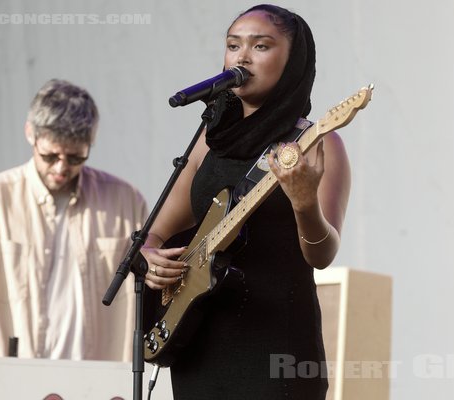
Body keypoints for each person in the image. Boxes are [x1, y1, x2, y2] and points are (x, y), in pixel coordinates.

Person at [142, 5, 350, 399]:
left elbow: (322, 255)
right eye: (233, 45)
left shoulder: (318, 144)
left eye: (261, 46)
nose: (242, 56)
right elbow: (155, 230)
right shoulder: (210, 137)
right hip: (199, 342)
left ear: (293, 62)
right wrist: (150, 255)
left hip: (278, 349)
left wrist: (305, 204)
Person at [0, 79, 148, 361]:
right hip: (11, 386)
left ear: (91, 143)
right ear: (30, 133)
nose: (61, 168)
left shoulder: (126, 201)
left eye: (76, 157)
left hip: (102, 383)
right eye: (50, 156)